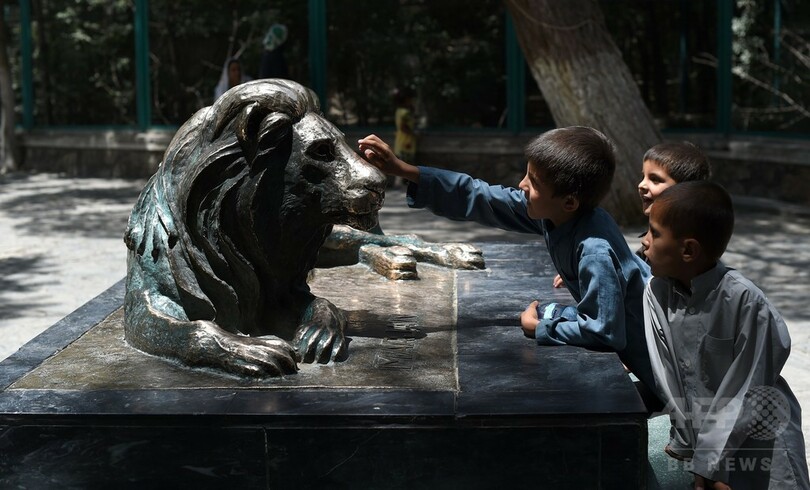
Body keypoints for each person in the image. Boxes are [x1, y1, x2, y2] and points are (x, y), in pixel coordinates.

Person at [358, 127, 658, 404]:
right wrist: (403, 170)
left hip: (662, 373)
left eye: (534, 182)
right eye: (527, 175)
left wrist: (541, 327)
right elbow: (483, 196)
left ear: (569, 202)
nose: (521, 185)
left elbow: (606, 332)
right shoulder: (561, 214)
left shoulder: (593, 251)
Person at [641, 181, 810, 489]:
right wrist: (688, 443)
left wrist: (709, 461)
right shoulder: (657, 292)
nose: (644, 242)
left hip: (763, 451)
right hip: (706, 454)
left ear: (688, 249)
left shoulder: (745, 302)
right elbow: (667, 375)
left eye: (654, 232)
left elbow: (746, 388)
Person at [551, 140, 712, 288]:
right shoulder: (651, 240)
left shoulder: (682, 249)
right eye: (643, 177)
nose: (641, 185)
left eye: (655, 180)